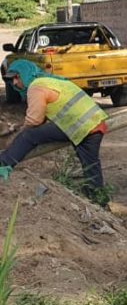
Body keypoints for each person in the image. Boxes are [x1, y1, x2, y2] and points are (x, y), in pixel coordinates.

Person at [0, 59, 108, 203]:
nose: (14, 83)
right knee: (91, 165)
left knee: (29, 135)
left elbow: (34, 120)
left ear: (25, 74)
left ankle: (3, 164)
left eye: (16, 78)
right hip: (94, 123)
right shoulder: (52, 81)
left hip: (79, 125)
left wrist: (19, 132)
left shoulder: (35, 87)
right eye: (11, 80)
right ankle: (99, 199)